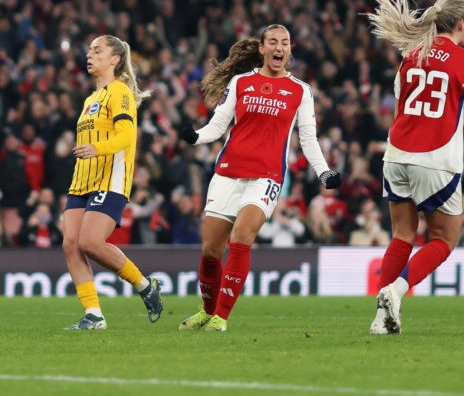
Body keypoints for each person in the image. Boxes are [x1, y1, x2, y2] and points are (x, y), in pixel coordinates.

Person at [178, 26, 340, 332]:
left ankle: (221, 318)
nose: (280, 48)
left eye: (285, 43)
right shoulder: (241, 82)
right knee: (211, 252)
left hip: (265, 178)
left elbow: (309, 139)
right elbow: (217, 126)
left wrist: (324, 172)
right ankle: (207, 310)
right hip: (227, 173)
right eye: (273, 42)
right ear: (263, 48)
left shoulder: (300, 91)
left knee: (241, 238)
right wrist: (195, 136)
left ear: (290, 50)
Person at [366, 0, 464, 335]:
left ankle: (381, 320)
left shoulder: (411, 54)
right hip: (435, 159)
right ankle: (395, 291)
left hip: (396, 154)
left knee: (401, 235)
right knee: (444, 240)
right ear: (461, 24)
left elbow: (400, 107)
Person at [62, 35, 163, 330]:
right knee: (70, 244)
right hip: (82, 181)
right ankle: (94, 315)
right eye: (89, 50)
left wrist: (98, 148)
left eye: (98, 50)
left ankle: (145, 286)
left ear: (115, 59)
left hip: (111, 178)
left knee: (90, 242)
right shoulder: (90, 99)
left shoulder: (118, 91)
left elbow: (127, 136)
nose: (90, 55)